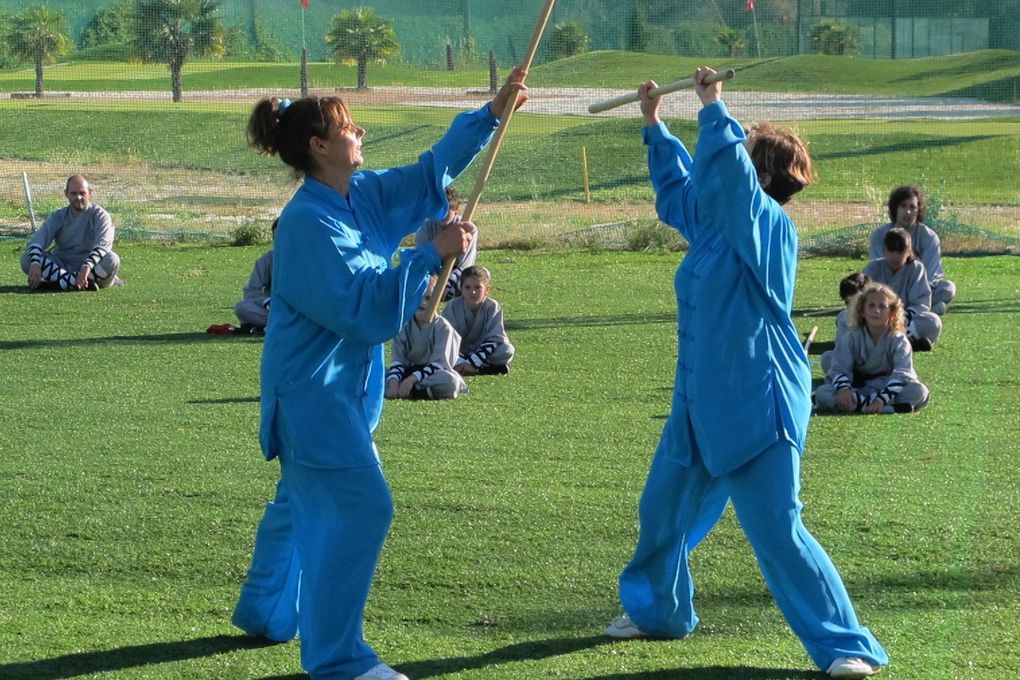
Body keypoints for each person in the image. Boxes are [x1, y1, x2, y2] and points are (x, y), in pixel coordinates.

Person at [231, 69, 528, 680]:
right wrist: (430, 253)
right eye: (346, 126)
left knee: (300, 502)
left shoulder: (359, 193)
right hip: (311, 400)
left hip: (345, 396)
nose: (359, 130)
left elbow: (427, 174)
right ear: (318, 146)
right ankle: (339, 661)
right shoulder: (308, 225)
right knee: (363, 507)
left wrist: (491, 113)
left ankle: (264, 612)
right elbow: (364, 311)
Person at [604, 68, 888, 680]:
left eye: (736, 154)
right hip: (697, 403)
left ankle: (847, 646)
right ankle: (657, 613)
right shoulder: (713, 222)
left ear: (757, 174)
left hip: (758, 402)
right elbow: (682, 188)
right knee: (662, 515)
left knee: (778, 531)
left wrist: (713, 106)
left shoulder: (768, 226)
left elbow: (726, 182)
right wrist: (654, 124)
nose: (721, 165)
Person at [814, 282, 930, 414]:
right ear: (862, 311)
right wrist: (844, 390)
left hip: (887, 388)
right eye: (871, 306)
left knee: (920, 391)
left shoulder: (899, 339)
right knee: (823, 393)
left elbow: (902, 374)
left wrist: (881, 399)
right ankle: (890, 409)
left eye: (882, 306)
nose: (876, 311)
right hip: (857, 387)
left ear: (892, 312)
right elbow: (839, 368)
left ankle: (864, 407)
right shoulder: (852, 337)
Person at [20, 174, 121, 291]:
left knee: (112, 260)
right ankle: (74, 282)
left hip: (91, 269)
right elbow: (38, 240)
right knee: (27, 259)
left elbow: (103, 245)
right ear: (66, 194)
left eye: (82, 193)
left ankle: (61, 284)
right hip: (61, 266)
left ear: (90, 192)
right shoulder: (58, 216)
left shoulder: (100, 215)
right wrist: (35, 263)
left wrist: (87, 266)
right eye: (73, 193)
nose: (78, 197)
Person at [869, 185, 955, 315]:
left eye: (912, 207)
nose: (908, 212)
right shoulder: (879, 235)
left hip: (917, 289)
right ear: (895, 208)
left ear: (918, 210)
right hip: (886, 289)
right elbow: (875, 269)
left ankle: (904, 311)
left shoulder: (929, 237)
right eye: (903, 206)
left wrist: (913, 283)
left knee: (948, 288)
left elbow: (930, 275)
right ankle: (925, 311)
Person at [385, 276, 468, 400]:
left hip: (430, 375)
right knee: (376, 373)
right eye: (418, 296)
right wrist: (393, 381)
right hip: (406, 372)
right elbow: (398, 360)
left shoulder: (444, 328)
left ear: (437, 299)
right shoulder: (403, 325)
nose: (422, 302)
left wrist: (412, 380)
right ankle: (398, 389)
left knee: (451, 381)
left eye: (428, 298)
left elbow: (439, 364)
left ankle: (412, 391)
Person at [863, 228, 942, 352]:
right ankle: (905, 343)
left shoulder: (916, 269)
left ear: (909, 251)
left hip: (904, 322)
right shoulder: (872, 268)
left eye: (900, 251)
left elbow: (921, 302)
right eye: (891, 250)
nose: (895, 255)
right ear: (884, 250)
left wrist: (901, 317)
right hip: (875, 320)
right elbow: (861, 299)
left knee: (932, 322)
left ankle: (895, 341)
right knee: (843, 318)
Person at [441, 265, 514, 375]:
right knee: (439, 351)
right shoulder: (452, 306)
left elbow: (495, 338)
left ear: (487, 289)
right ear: (461, 288)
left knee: (507, 350)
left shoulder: (493, 307)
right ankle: (481, 368)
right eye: (468, 287)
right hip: (458, 352)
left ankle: (473, 367)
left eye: (477, 287)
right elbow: (446, 339)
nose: (473, 292)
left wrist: (473, 361)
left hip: (484, 352)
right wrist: (461, 360)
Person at [415, 186, 476, 300]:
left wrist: (446, 286)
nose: (442, 214)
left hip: (457, 277)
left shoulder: (467, 228)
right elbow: (421, 263)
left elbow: (466, 266)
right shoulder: (425, 228)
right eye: (438, 209)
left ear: (456, 209)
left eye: (447, 209)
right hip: (433, 276)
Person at [820, 272, 871, 374]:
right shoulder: (844, 317)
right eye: (848, 302)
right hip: (852, 366)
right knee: (827, 358)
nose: (852, 307)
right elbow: (841, 350)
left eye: (856, 302)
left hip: (877, 366)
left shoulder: (878, 314)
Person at [233, 219, 276, 334]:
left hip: (301, 310)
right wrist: (266, 302)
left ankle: (268, 327)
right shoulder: (267, 260)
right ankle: (276, 325)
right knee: (242, 308)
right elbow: (251, 291)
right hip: (274, 310)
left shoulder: (307, 259)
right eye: (276, 238)